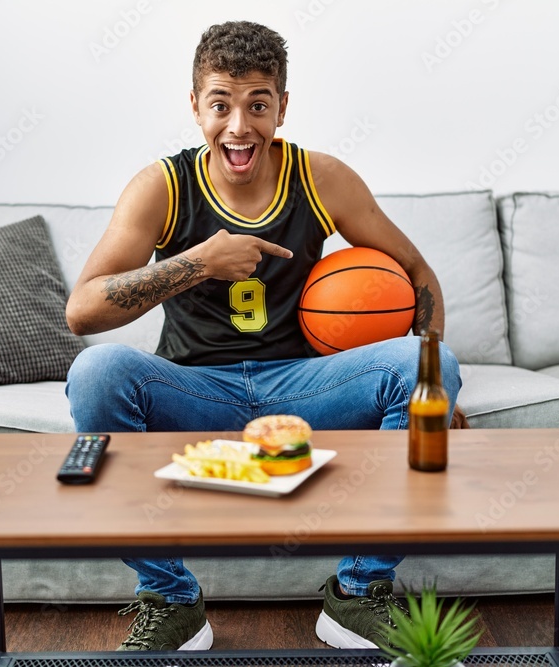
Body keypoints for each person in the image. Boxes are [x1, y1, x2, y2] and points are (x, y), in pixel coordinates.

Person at [65, 20, 464, 652]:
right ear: (195, 106)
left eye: (258, 104)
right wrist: (199, 262)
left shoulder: (321, 177)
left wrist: (433, 386)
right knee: (95, 372)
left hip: (303, 388)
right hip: (193, 387)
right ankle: (171, 601)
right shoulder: (160, 187)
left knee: (419, 366)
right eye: (220, 104)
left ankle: (359, 592)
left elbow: (417, 274)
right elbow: (82, 311)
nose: (239, 125)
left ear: (282, 106)